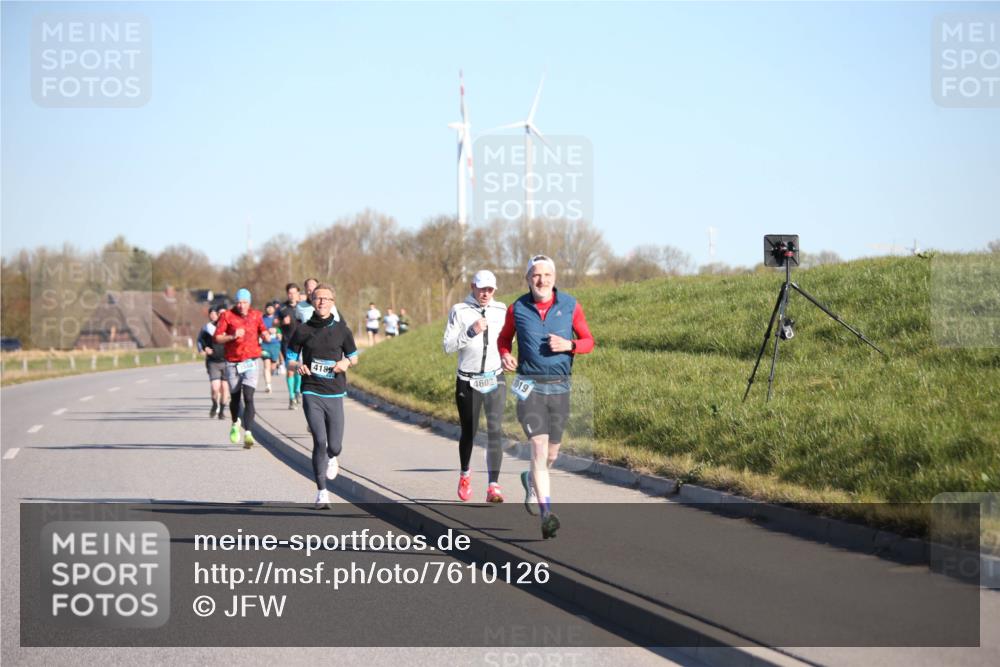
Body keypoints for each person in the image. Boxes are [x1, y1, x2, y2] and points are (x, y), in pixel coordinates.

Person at [498, 255, 595, 539]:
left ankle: (530, 479)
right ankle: (546, 515)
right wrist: (505, 354)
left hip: (560, 387)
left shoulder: (571, 305)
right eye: (536, 275)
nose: (541, 280)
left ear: (554, 278)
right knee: (539, 449)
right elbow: (503, 339)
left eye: (546, 275)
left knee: (552, 454)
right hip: (529, 386)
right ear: (528, 279)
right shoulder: (517, 308)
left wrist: (569, 344)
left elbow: (589, 341)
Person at [285, 284, 359, 509]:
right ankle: (322, 492)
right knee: (319, 440)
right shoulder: (303, 330)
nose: (322, 302)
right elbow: (289, 359)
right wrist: (298, 365)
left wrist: (345, 363)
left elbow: (354, 357)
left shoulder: (342, 330)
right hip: (311, 390)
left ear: (332, 303)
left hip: (335, 392)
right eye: (318, 298)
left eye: (326, 298)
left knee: (334, 446)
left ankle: (333, 457)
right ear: (312, 301)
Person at [443, 270, 508, 503]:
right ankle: (465, 474)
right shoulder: (459, 310)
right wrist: (470, 331)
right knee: (469, 431)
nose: (485, 294)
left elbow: (507, 339)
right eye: (481, 289)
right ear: (473, 287)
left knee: (495, 430)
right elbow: (448, 346)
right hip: (468, 380)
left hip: (495, 378)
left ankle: (493, 486)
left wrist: (507, 355)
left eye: (490, 289)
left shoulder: (501, 310)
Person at [214, 288, 272, 448]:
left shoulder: (256, 315)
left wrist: (266, 335)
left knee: (248, 396)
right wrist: (232, 336)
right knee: (235, 397)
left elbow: (263, 331)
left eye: (244, 302)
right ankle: (235, 423)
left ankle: (248, 433)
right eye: (239, 302)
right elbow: (217, 337)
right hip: (232, 362)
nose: (241, 305)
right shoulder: (227, 316)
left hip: (251, 361)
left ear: (249, 302)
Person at [196, 306, 229, 420]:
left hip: (227, 361)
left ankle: (222, 411)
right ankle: (215, 404)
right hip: (213, 361)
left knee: (224, 388)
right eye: (219, 313)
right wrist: (204, 348)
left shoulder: (230, 327)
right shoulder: (208, 328)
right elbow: (201, 340)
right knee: (215, 388)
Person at [277, 283, 302, 409]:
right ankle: (292, 398)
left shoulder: (303, 307)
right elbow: (274, 323)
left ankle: (297, 391)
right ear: (287, 294)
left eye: (294, 293)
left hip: (302, 343)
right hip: (287, 343)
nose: (292, 295)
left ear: (298, 293)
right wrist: (282, 322)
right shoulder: (282, 308)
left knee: (300, 369)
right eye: (290, 293)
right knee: (290, 370)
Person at [260, 302, 283, 393]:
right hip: (265, 345)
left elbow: (281, 330)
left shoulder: (277, 319)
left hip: (275, 345)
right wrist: (266, 332)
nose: (269, 309)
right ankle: (268, 385)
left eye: (271, 307)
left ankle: (274, 368)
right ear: (265, 309)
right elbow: (258, 330)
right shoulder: (261, 319)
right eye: (268, 307)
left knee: (272, 367)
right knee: (266, 365)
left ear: (274, 309)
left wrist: (278, 333)